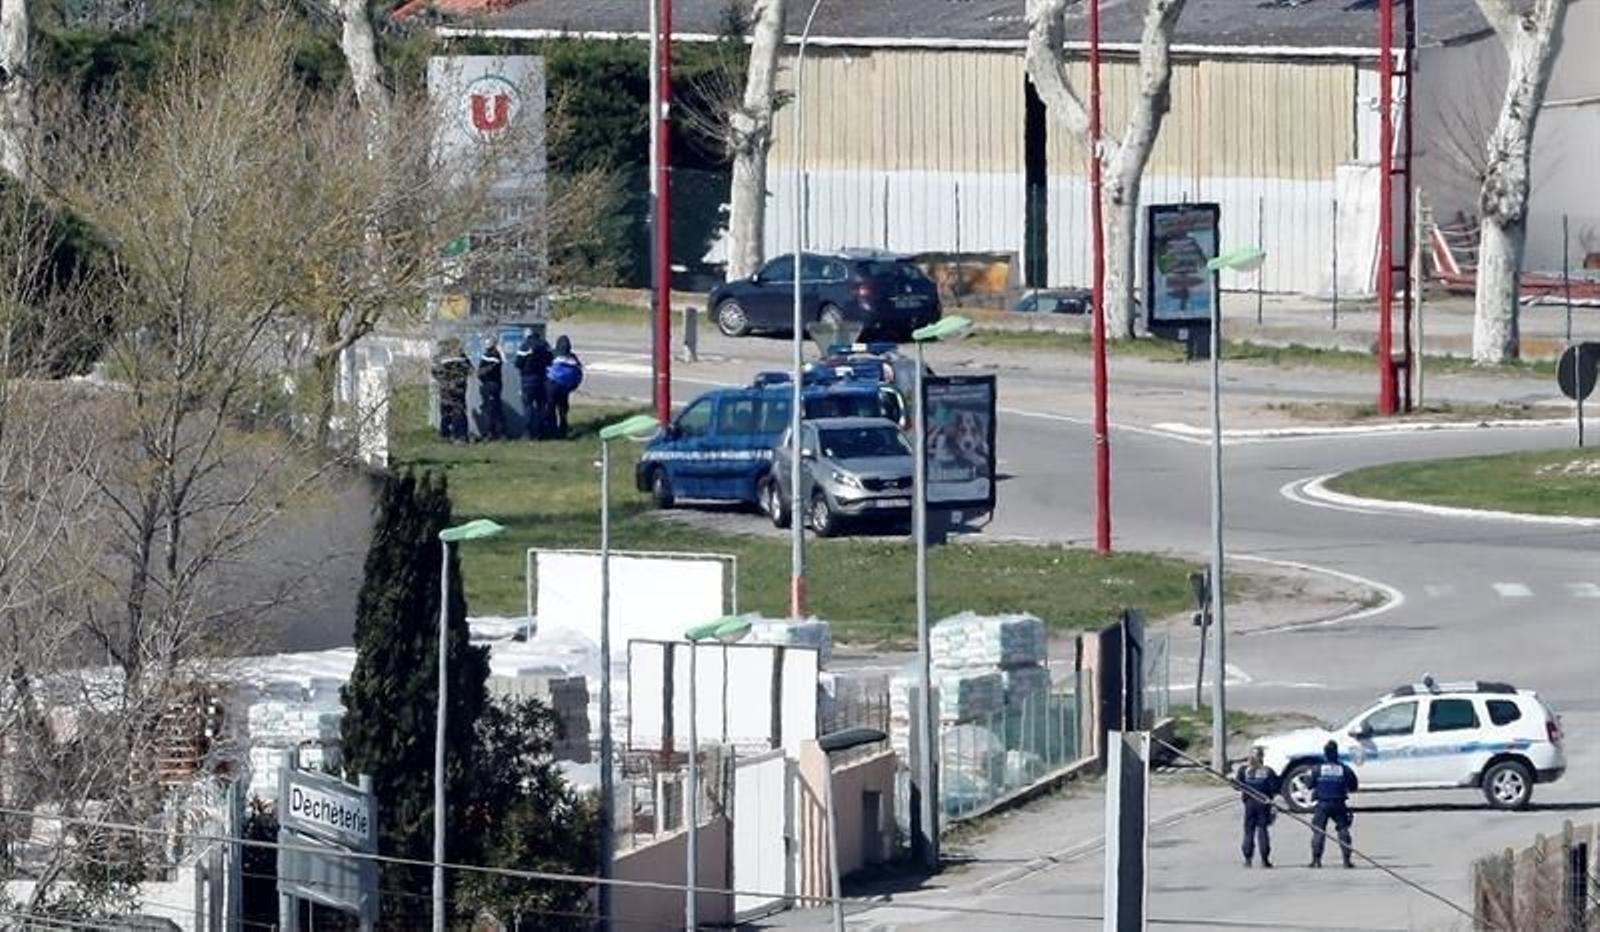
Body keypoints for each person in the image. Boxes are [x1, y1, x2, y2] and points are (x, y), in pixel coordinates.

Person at [1309, 739, 1359, 868]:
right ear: (1336, 753)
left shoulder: (1317, 769)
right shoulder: (1344, 769)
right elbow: (1354, 786)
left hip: (1322, 804)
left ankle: (1316, 860)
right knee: (1343, 830)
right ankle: (1346, 861)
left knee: (1318, 831)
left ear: (1325, 754)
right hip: (1339, 803)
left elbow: (1309, 784)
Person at [1235, 747, 1280, 868]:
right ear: (1262, 757)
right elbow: (1275, 788)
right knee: (1262, 830)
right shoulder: (1268, 771)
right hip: (1263, 804)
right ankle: (1264, 860)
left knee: (1248, 831)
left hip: (1249, 804)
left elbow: (1237, 786)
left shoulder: (1243, 770)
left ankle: (1247, 859)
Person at [514, 328, 553, 440]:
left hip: (527, 380)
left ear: (527, 335)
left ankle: (528, 433)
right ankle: (540, 433)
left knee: (528, 407)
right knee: (541, 406)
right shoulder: (544, 344)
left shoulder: (525, 346)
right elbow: (550, 359)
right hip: (542, 379)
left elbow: (518, 363)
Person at [431, 338, 471, 443]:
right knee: (458, 412)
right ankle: (459, 436)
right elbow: (469, 370)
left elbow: (435, 372)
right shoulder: (462, 357)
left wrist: (443, 381)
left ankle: (447, 435)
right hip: (458, 389)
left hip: (447, 389)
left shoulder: (440, 357)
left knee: (447, 412)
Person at [546, 335, 584, 439]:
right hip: (565, 387)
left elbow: (545, 366)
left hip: (552, 384)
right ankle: (563, 430)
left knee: (551, 408)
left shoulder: (553, 354)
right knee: (563, 408)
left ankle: (552, 431)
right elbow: (579, 371)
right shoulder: (572, 357)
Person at [476, 335, 506, 441]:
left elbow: (488, 370)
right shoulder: (490, 354)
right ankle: (495, 433)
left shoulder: (493, 355)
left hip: (491, 384)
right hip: (491, 384)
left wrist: (480, 374)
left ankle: (492, 433)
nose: (485, 344)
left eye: (487, 342)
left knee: (491, 410)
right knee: (494, 408)